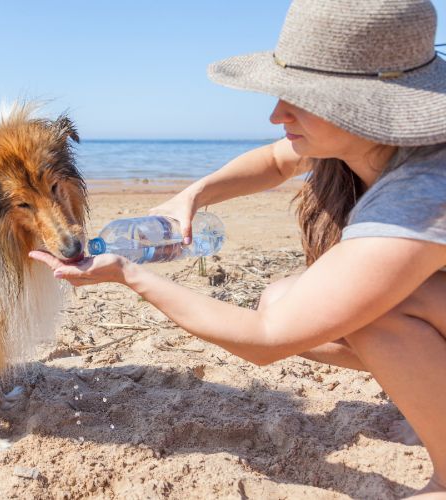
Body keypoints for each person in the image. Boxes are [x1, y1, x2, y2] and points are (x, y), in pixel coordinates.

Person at [30, 0, 446, 496]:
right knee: (280, 297)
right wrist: (193, 194)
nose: (275, 114)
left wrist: (132, 274)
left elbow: (266, 340)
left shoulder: (423, 188)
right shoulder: (365, 142)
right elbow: (275, 161)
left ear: (369, 107)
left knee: (376, 313)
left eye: (304, 98)